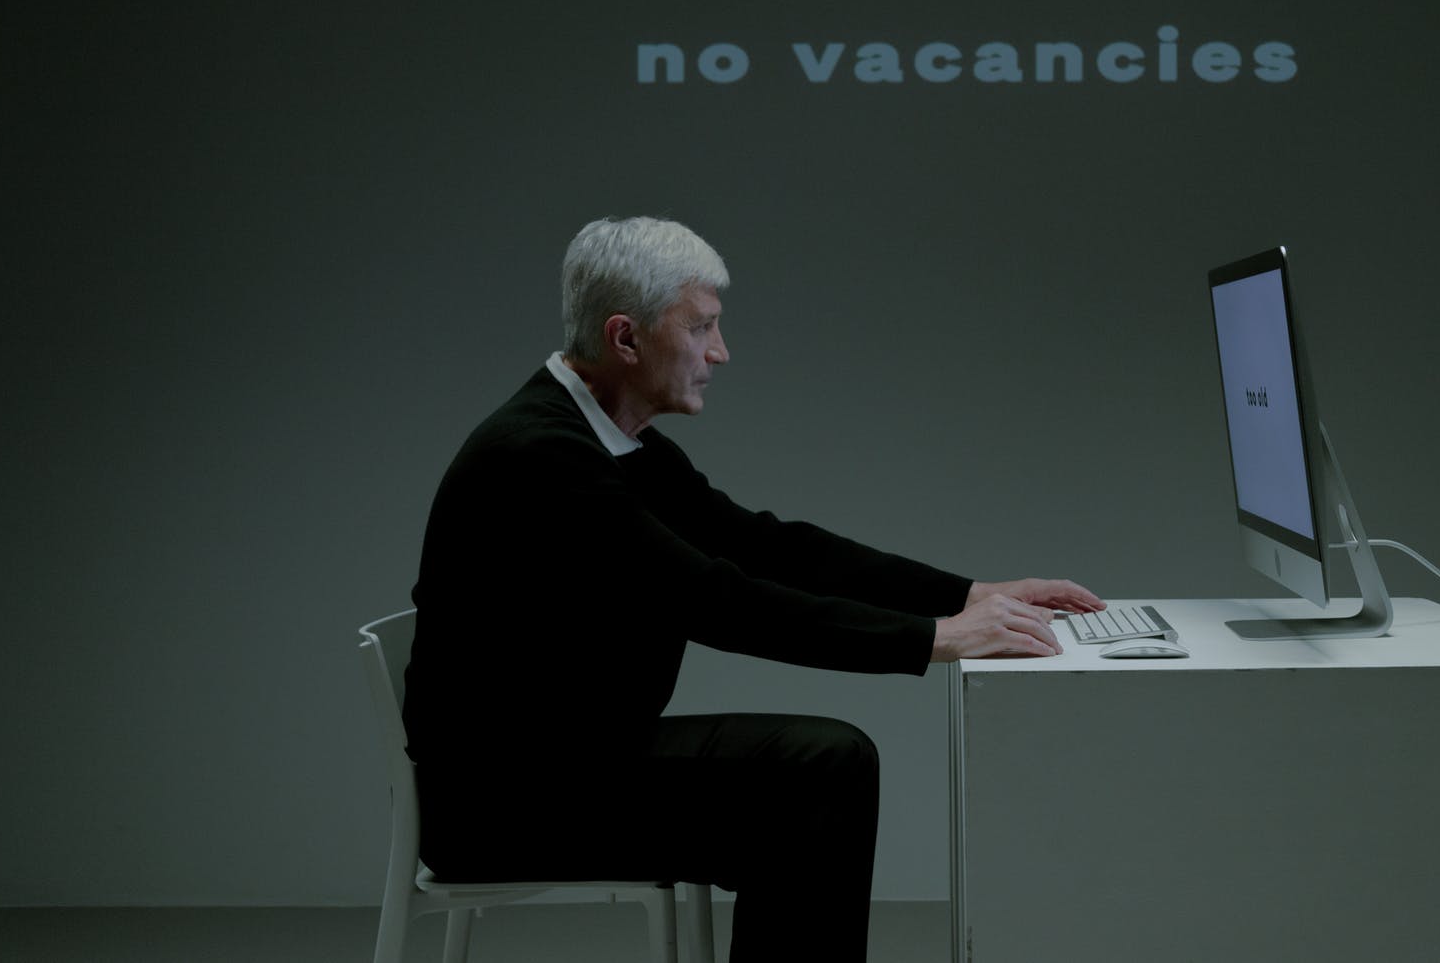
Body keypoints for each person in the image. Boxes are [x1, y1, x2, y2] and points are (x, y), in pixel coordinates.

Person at [403, 215, 1102, 963]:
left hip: (567, 761)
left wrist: (963, 594)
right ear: (626, 338)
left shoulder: (617, 441)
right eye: (701, 326)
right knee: (819, 770)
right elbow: (715, 598)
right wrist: (934, 641)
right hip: (510, 800)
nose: (720, 352)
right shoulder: (542, 456)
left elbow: (766, 546)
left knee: (812, 772)